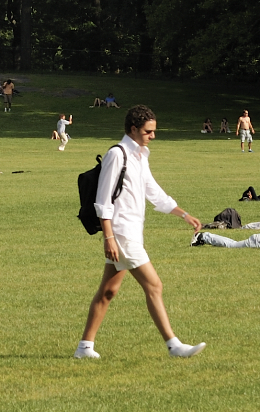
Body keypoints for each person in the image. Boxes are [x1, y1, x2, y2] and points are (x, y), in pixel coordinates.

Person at [77, 104, 206, 362]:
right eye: (148, 132)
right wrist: (109, 237)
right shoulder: (117, 154)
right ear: (133, 129)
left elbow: (153, 191)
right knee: (154, 285)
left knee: (108, 292)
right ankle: (174, 345)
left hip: (132, 231)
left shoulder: (140, 155)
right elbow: (103, 200)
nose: (153, 136)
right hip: (121, 233)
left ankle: (84, 347)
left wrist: (183, 213)